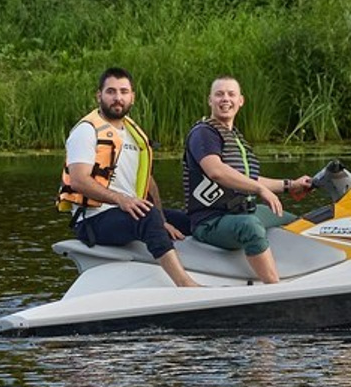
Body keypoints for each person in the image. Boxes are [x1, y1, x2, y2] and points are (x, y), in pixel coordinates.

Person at [57, 67, 198, 287]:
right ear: (99, 96)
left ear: (132, 96)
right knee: (147, 215)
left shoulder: (134, 133)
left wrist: (163, 221)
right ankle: (185, 284)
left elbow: (149, 182)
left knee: (193, 220)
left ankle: (222, 272)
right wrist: (121, 200)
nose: (117, 98)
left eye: (124, 92)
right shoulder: (86, 131)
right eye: (111, 91)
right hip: (93, 219)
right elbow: (78, 180)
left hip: (129, 211)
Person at [183, 76, 313, 283]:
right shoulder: (203, 133)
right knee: (250, 227)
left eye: (231, 94)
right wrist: (260, 190)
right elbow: (216, 171)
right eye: (219, 94)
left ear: (241, 100)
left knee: (297, 223)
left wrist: (290, 185)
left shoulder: (235, 136)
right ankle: (275, 289)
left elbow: (249, 178)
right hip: (210, 221)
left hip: (244, 210)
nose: (225, 99)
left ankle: (312, 273)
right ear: (210, 100)